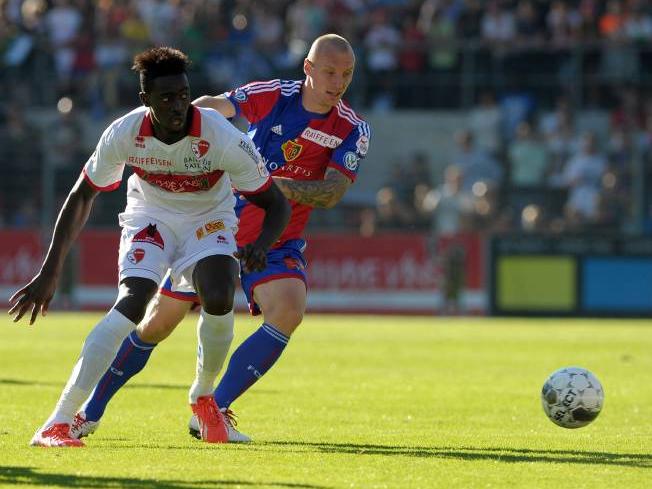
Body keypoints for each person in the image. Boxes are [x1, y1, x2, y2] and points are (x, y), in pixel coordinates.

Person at [69, 34, 370, 443]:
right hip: (214, 226)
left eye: (347, 74)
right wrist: (173, 133)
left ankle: (212, 409)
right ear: (308, 68)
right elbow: (212, 107)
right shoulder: (274, 95)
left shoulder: (352, 128)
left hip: (275, 236)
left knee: (289, 309)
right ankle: (88, 412)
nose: (338, 82)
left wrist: (264, 183)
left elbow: (332, 192)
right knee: (156, 324)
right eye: (330, 72)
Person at [8, 47, 290, 447]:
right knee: (134, 300)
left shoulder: (221, 135)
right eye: (166, 98)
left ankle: (203, 398)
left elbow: (274, 202)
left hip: (207, 219)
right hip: (150, 217)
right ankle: (58, 420)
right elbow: (82, 194)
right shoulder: (124, 132)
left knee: (220, 289)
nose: (178, 105)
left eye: (183, 94)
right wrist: (50, 270)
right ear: (146, 101)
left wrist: (261, 244)